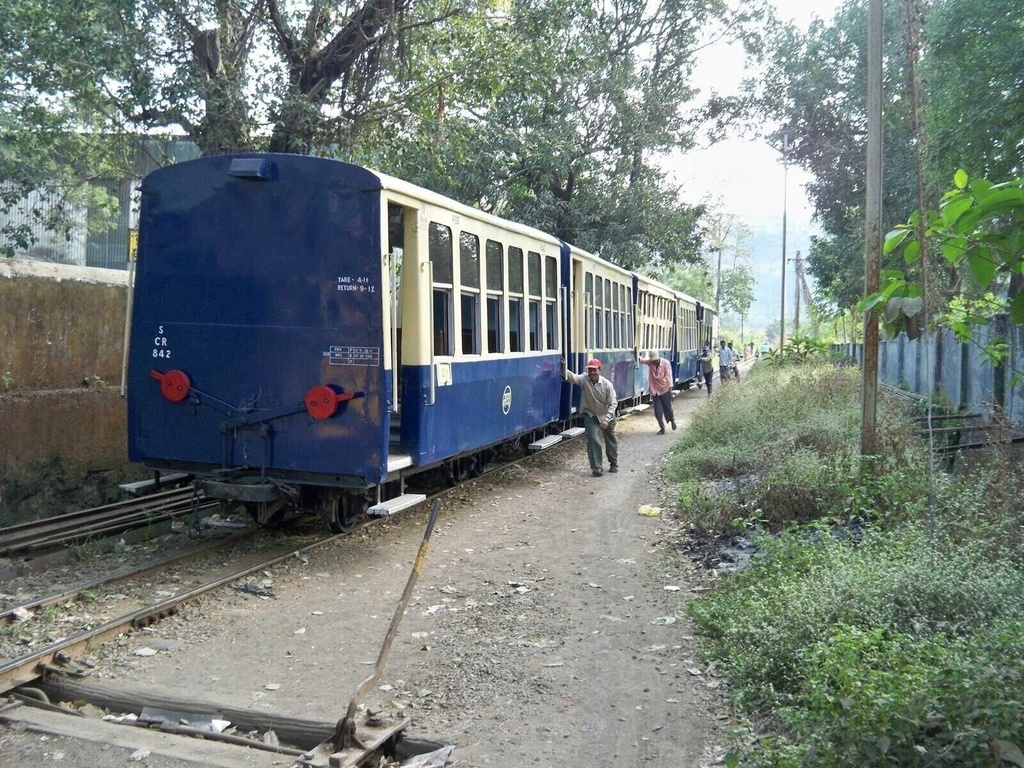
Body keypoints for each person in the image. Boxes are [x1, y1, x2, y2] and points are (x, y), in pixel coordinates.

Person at [561, 357, 619, 476]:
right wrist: (563, 368)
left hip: (606, 413)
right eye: (590, 370)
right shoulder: (584, 379)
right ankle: (597, 467)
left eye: (594, 370)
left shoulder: (607, 385)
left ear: (599, 370)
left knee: (611, 439)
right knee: (592, 438)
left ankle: (613, 462)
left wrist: (606, 420)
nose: (592, 373)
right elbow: (573, 377)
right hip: (591, 414)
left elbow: (613, 404)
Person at [643, 350, 676, 434]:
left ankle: (672, 420)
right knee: (657, 411)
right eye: (653, 360)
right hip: (655, 391)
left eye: (656, 360)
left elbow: (669, 377)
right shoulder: (650, 363)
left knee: (668, 408)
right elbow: (642, 360)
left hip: (664, 389)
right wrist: (635, 354)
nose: (655, 361)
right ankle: (662, 427)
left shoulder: (666, 363)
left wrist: (670, 391)